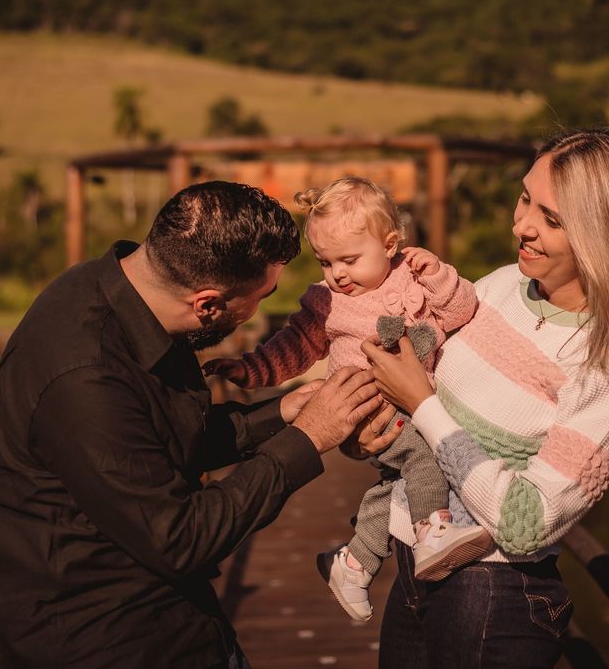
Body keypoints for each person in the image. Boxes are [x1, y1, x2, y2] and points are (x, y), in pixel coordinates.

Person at [0, 181, 382, 669]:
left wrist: (281, 413)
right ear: (208, 305)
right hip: (110, 640)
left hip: (176, 619)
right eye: (263, 295)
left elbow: (161, 441)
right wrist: (308, 439)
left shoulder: (122, 292)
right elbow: (179, 538)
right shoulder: (86, 378)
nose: (266, 305)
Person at [356, 129, 609, 669]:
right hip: (411, 565)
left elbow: (525, 524)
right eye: (524, 199)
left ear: (606, 236)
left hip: (490, 594)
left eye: (552, 219)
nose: (521, 225)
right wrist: (377, 431)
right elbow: (419, 407)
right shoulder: (497, 287)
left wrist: (421, 402)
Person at [203, 176, 489, 623]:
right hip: (363, 406)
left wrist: (439, 274)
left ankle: (353, 563)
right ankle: (433, 528)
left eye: (349, 260)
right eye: (325, 262)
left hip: (409, 402)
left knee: (396, 484)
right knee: (428, 453)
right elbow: (293, 347)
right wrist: (250, 370)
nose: (337, 273)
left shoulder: (417, 279)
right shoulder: (327, 302)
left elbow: (460, 313)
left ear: (390, 244)